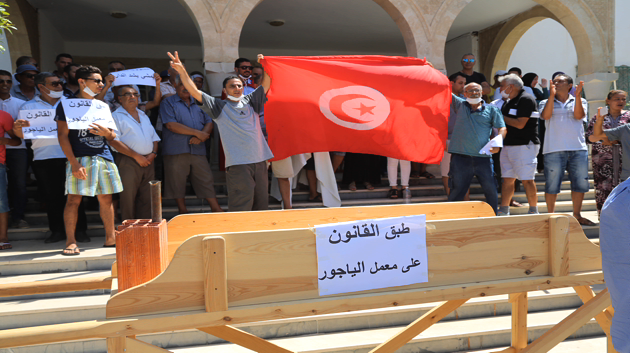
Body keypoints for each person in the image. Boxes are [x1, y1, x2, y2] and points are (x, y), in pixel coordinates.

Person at [168, 51, 273, 211]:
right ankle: (240, 236)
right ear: (225, 90)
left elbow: (266, 84)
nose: (237, 88)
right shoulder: (218, 106)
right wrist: (182, 71)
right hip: (239, 164)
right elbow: (194, 92)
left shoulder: (251, 101)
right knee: (241, 207)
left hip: (260, 161)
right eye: (232, 86)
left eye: (239, 85)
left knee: (262, 205)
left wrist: (266, 64)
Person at [55, 65, 123, 255]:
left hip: (104, 157)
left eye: (102, 81)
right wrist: (74, 162)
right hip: (79, 158)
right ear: (82, 82)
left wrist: (106, 133)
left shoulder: (102, 105)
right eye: (97, 81)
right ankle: (71, 241)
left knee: (107, 200)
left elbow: (112, 136)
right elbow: (62, 136)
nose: (101, 84)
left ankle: (110, 238)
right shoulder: (66, 104)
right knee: (73, 200)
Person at [14, 72, 88, 243]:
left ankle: (81, 231)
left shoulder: (70, 104)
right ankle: (57, 231)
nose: (60, 86)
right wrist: (17, 128)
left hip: (71, 157)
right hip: (43, 158)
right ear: (41, 87)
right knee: (51, 197)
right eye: (55, 84)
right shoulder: (27, 108)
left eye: (61, 83)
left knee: (76, 195)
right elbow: (22, 135)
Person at [159, 73, 223, 214]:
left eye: (188, 85)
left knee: (206, 179)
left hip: (198, 148)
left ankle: (216, 208)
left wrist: (201, 137)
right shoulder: (168, 102)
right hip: (176, 150)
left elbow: (209, 122)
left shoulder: (200, 102)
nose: (185, 88)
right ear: (175, 86)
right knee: (177, 182)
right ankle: (182, 211)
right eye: (181, 84)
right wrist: (197, 133)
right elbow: (171, 125)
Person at [539, 75, 593, 225]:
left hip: (577, 148)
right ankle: (551, 216)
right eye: (554, 81)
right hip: (553, 149)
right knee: (552, 184)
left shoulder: (580, 101)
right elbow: (546, 115)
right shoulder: (545, 102)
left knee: (580, 184)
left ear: (570, 85)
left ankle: (577, 215)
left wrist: (577, 96)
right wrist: (550, 96)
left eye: (560, 81)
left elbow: (579, 116)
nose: (556, 83)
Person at [448, 83, 506, 213]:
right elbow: (442, 89)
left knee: (491, 190)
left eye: (477, 91)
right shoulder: (460, 105)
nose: (474, 93)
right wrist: (432, 70)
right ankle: (450, 220)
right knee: (457, 191)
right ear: (464, 93)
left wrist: (498, 141)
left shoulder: (492, 109)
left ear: (482, 93)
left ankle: (492, 218)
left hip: (483, 159)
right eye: (470, 91)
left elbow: (502, 128)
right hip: (460, 158)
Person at [110, 86, 161, 220]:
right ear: (120, 99)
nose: (132, 97)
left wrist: (153, 153)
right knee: (128, 197)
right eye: (128, 94)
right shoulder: (115, 116)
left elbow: (154, 137)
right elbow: (114, 141)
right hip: (128, 161)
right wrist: (136, 156)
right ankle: (129, 229)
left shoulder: (143, 115)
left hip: (149, 161)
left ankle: (144, 228)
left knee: (147, 197)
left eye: (135, 94)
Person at [497, 74, 540, 216]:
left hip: (524, 146)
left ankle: (533, 210)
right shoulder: (509, 101)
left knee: (527, 179)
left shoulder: (526, 99)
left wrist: (499, 117)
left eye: (502, 85)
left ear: (511, 86)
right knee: (508, 180)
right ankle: (504, 210)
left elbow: (520, 124)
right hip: (508, 145)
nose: (500, 88)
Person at [586, 90, 630, 215]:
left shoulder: (629, 116)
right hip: (603, 160)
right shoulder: (598, 117)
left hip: (624, 160)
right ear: (608, 101)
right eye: (617, 99)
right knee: (603, 189)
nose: (621, 102)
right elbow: (591, 137)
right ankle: (605, 219)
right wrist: (606, 140)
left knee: (624, 190)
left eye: (623, 99)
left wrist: (614, 140)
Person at [0, 70, 29, 228]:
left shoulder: (21, 104)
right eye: (1, 81)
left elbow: (27, 131)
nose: (5, 84)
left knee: (18, 183)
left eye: (8, 81)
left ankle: (18, 217)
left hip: (18, 149)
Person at [441, 72, 468, 198]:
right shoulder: (442, 99)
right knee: (447, 173)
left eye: (464, 83)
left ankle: (466, 203)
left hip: (464, 142)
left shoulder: (467, 100)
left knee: (464, 174)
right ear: (451, 83)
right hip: (447, 141)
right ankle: (451, 201)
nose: (463, 86)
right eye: (460, 83)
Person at [0, 109, 20, 250]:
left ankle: (3, 238)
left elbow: (17, 141)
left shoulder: (3, 115)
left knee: (1, 202)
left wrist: (5, 140)